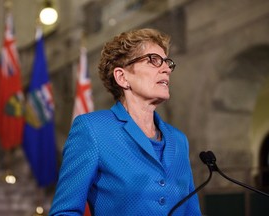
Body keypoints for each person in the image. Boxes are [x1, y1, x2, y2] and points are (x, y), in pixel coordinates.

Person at [49, 28, 202, 216]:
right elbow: (64, 212)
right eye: (154, 60)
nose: (167, 69)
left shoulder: (179, 140)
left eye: (167, 62)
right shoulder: (93, 130)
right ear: (122, 77)